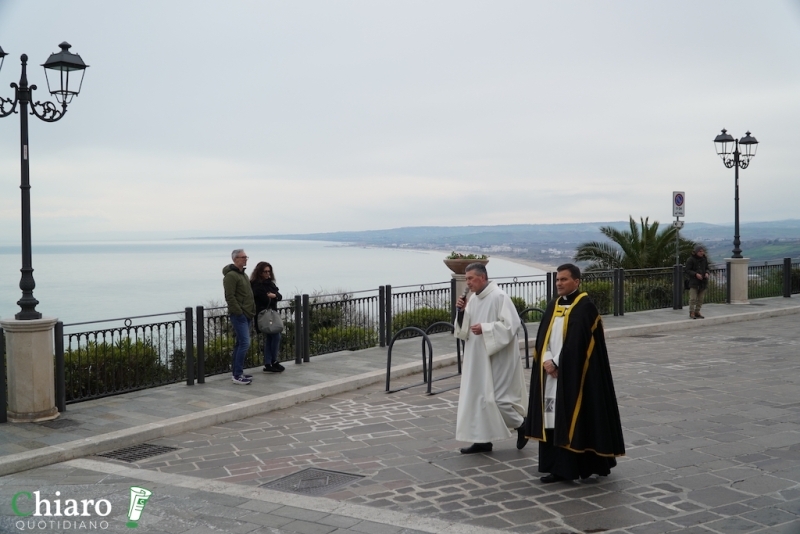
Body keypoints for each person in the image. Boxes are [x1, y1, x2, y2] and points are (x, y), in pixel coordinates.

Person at [522, 263, 625, 482]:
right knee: (552, 419)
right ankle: (556, 467)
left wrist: (558, 363)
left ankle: (579, 466)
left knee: (575, 418)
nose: (559, 283)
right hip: (551, 375)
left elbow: (578, 343)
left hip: (577, 377)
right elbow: (543, 338)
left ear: (576, 281)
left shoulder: (585, 307)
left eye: (564, 279)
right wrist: (547, 360)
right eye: (558, 279)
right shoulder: (553, 305)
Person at [454, 262, 528, 454]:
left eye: (471, 278)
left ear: (483, 277)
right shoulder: (474, 299)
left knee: (497, 399)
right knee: (477, 397)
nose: (468, 283)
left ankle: (523, 425)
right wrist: (461, 312)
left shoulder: (499, 296)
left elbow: (512, 325)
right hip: (476, 356)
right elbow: (463, 330)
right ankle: (482, 440)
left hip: (499, 357)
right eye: (467, 278)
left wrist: (486, 329)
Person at [223, 249, 256, 385]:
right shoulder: (231, 276)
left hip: (247, 314)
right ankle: (237, 375)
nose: (245, 259)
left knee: (240, 344)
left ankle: (238, 372)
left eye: (246, 257)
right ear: (235, 259)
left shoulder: (243, 274)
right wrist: (239, 312)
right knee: (244, 343)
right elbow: (230, 296)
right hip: (240, 315)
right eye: (243, 257)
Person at [250, 261, 285, 373]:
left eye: (269, 271)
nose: (267, 274)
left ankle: (269, 362)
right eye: (265, 271)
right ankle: (272, 361)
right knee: (275, 336)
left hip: (272, 314)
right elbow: (264, 298)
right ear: (259, 272)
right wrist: (273, 296)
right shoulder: (256, 285)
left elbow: (279, 296)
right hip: (263, 314)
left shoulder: (270, 284)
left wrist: (273, 296)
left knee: (272, 337)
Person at [685, 244, 710, 319]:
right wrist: (695, 274)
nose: (702, 253)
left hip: (703, 282)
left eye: (702, 251)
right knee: (693, 298)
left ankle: (697, 311)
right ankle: (691, 312)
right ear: (696, 252)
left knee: (700, 299)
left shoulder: (704, 259)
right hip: (694, 282)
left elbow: (707, 268)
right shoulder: (691, 260)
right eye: (700, 251)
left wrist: (707, 273)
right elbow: (687, 270)